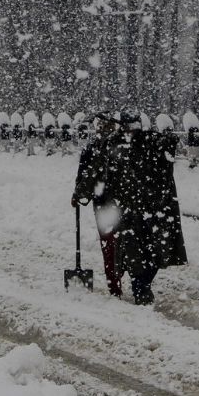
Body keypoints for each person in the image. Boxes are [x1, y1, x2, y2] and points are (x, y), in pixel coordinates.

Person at [104, 107, 187, 305]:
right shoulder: (116, 145)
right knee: (135, 252)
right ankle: (140, 287)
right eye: (127, 127)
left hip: (151, 208)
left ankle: (142, 285)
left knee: (154, 252)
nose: (130, 131)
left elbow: (165, 151)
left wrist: (167, 140)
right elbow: (112, 178)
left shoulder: (148, 142)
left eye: (133, 126)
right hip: (132, 208)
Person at [72, 112, 123, 298]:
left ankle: (115, 282)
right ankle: (116, 281)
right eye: (102, 126)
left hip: (106, 203)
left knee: (111, 244)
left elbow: (83, 178)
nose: (104, 129)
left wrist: (78, 194)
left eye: (106, 126)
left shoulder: (95, 149)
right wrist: (78, 193)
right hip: (116, 203)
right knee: (117, 243)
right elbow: (83, 178)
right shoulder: (118, 147)